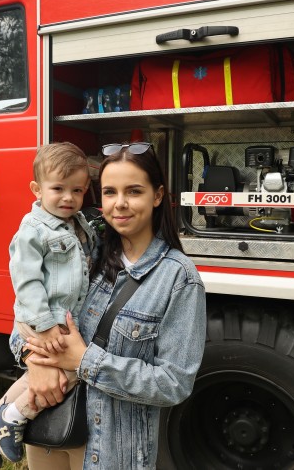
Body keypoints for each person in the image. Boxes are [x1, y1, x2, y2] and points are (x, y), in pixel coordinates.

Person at [24, 141, 207, 469]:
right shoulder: (83, 252)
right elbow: (25, 307)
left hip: (113, 451)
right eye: (109, 192)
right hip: (51, 431)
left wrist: (85, 361)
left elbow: (174, 383)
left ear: (158, 196)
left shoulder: (178, 278)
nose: (119, 204)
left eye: (134, 191)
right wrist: (32, 361)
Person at [0, 142, 96, 469]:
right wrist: (45, 324)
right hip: (41, 323)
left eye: (77, 190)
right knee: (71, 371)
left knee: (63, 372)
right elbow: (26, 280)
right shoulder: (32, 230)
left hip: (62, 323)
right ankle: (12, 416)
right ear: (37, 189)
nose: (68, 197)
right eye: (58, 189)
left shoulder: (77, 223)